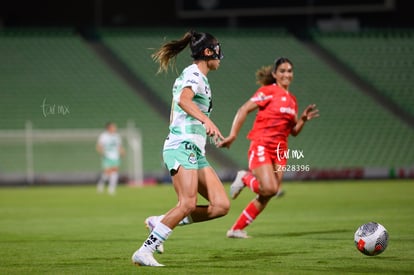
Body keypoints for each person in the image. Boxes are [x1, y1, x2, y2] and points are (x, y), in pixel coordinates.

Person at [131, 30, 230, 267]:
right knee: (187, 203)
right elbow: (183, 101)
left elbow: (176, 112)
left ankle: (161, 221)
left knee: (221, 206)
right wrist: (206, 121)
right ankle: (145, 251)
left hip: (194, 150)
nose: (220, 55)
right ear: (208, 52)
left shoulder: (199, 79)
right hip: (182, 146)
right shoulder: (194, 75)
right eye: (217, 49)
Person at [218, 57, 319, 238]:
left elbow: (293, 132)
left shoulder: (292, 101)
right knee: (271, 188)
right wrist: (233, 134)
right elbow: (243, 109)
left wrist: (302, 120)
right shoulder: (268, 92)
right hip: (262, 144)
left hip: (280, 151)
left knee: (267, 194)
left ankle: (236, 229)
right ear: (274, 74)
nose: (286, 74)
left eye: (289, 71)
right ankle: (245, 178)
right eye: (282, 71)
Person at [96, 122, 125, 195]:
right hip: (107, 156)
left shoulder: (117, 136)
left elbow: (119, 146)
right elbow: (99, 145)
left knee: (115, 171)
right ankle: (101, 184)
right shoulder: (103, 136)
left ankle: (111, 188)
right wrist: (101, 152)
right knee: (107, 172)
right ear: (109, 128)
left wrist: (122, 151)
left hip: (115, 156)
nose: (115, 128)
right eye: (113, 127)